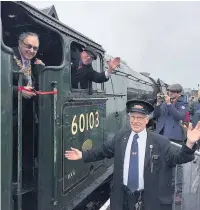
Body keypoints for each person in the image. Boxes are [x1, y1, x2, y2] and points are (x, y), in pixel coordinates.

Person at [65, 99, 200, 210]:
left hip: (149, 200)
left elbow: (178, 158)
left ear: (147, 120)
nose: (135, 121)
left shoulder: (161, 142)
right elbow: (103, 151)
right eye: (133, 117)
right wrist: (83, 155)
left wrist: (189, 143)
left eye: (140, 118)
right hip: (123, 199)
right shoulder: (120, 138)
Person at [12, 32, 44, 187]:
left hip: (25, 114)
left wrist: (40, 70)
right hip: (9, 115)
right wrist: (18, 91)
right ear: (20, 43)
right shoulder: (7, 57)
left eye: (35, 48)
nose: (31, 51)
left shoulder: (32, 63)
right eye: (28, 46)